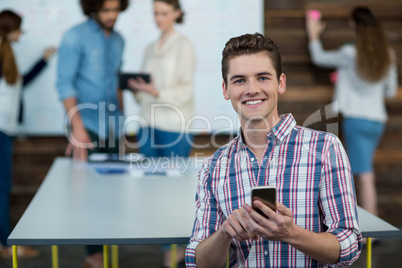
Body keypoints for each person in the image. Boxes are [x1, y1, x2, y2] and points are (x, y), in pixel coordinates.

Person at [185, 33, 362, 267]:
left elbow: (349, 246)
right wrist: (224, 234)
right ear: (225, 89)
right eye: (239, 80)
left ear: (281, 83)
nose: (252, 89)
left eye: (262, 78)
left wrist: (291, 234)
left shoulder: (325, 149)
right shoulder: (213, 166)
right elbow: (197, 263)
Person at [56, 0, 129, 267]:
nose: (112, 16)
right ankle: (93, 255)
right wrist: (77, 128)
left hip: (112, 126)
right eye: (106, 10)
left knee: (111, 191)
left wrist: (122, 122)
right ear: (92, 9)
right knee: (89, 192)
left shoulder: (120, 39)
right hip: (85, 125)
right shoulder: (75, 36)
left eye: (115, 9)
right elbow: (64, 83)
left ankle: (106, 249)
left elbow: (117, 81)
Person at [306, 7, 398, 219]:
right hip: (376, 122)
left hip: (356, 120)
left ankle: (371, 234)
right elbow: (390, 91)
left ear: (354, 25)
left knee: (364, 175)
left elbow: (319, 57)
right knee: (362, 171)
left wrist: (313, 35)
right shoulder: (388, 54)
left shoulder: (349, 53)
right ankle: (367, 227)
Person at [127, 1, 195, 267]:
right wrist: (136, 89)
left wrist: (158, 93)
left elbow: (186, 90)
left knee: (174, 192)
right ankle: (168, 251)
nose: (159, 18)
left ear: (177, 13)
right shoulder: (148, 47)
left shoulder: (184, 45)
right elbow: (147, 91)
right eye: (155, 13)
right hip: (147, 123)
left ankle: (175, 252)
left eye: (164, 13)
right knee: (153, 191)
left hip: (174, 126)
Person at [0, 9, 55, 259]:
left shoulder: (7, 53)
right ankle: (4, 245)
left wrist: (43, 60)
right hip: (1, 130)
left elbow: (19, 82)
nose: (22, 33)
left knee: (3, 187)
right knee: (2, 188)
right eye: (19, 28)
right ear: (9, 28)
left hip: (6, 129)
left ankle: (4, 242)